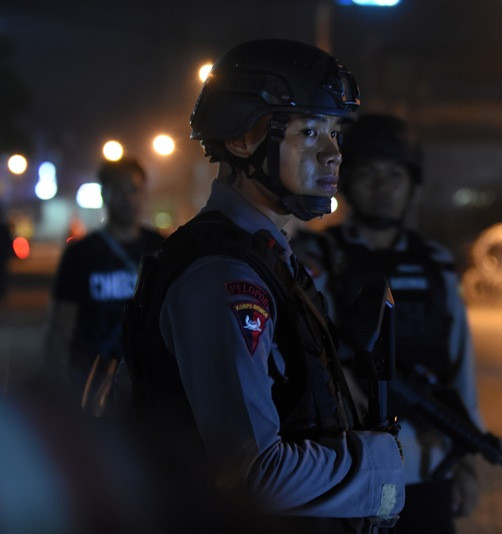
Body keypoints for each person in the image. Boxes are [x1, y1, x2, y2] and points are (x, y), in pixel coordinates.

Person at [123, 40, 404, 532]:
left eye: (335, 131)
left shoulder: (266, 256)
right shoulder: (224, 277)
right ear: (242, 140)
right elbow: (252, 472)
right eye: (309, 130)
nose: (334, 152)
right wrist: (382, 465)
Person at [292, 114, 483, 533]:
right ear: (345, 179)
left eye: (395, 174)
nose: (382, 187)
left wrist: (467, 457)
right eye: (368, 173)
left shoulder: (435, 263)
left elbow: (460, 368)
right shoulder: (317, 257)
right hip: (350, 470)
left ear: (412, 184)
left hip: (429, 468)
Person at [45, 157, 163, 411]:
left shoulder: (160, 249)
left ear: (144, 193)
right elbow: (61, 323)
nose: (127, 198)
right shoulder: (81, 254)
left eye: (134, 189)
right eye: (118, 189)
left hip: (146, 382)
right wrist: (58, 385)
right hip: (89, 377)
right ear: (104, 193)